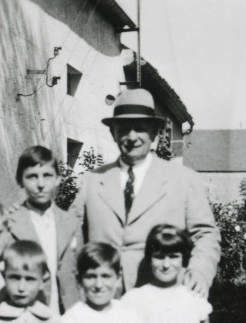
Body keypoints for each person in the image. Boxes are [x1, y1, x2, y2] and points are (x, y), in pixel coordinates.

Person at [72, 88, 220, 297]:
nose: (131, 137)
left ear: (153, 132)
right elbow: (72, 239)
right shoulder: (92, 181)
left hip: (164, 297)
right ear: (113, 133)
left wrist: (199, 271)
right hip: (104, 300)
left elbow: (205, 234)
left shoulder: (183, 180)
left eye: (140, 128)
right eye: (124, 129)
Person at [7, 146, 80, 313]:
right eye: (32, 177)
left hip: (69, 311)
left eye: (47, 175)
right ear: (20, 180)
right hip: (28, 312)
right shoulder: (11, 222)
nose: (40, 184)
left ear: (58, 179)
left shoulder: (71, 221)